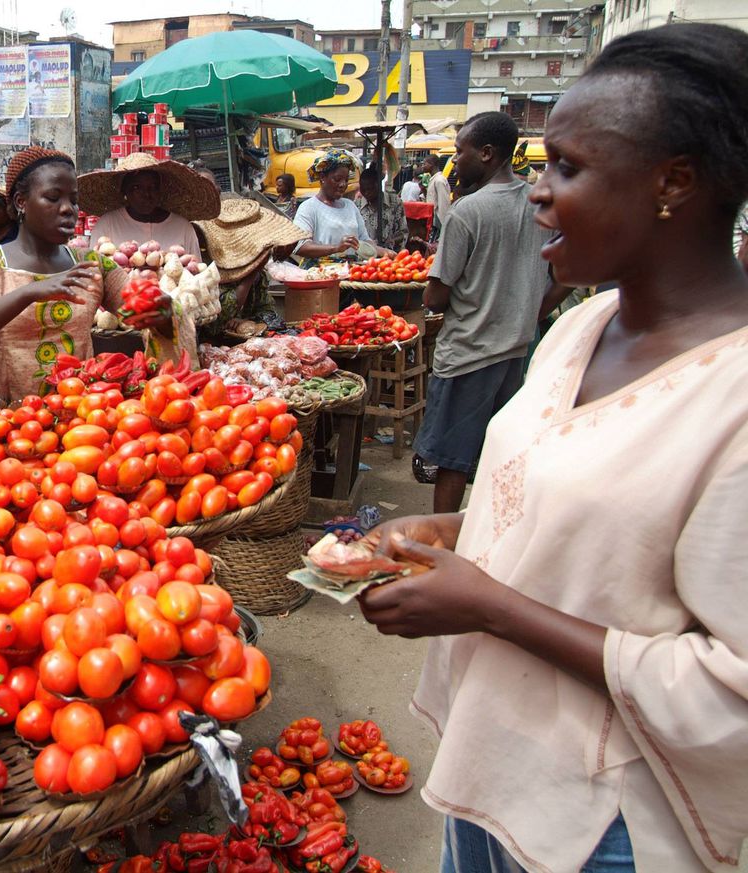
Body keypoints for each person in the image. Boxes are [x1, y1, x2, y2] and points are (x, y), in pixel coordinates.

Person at [359, 23, 748, 873]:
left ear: (671, 184)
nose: (537, 193)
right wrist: (452, 530)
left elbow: (735, 688)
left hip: (608, 817)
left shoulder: (736, 397)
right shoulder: (578, 329)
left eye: (566, 168)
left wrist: (488, 604)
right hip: (493, 759)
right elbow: (564, 501)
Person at [0, 147, 170, 403]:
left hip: (80, 420)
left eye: (73, 200)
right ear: (21, 202)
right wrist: (29, 292)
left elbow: (155, 320)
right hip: (3, 423)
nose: (68, 209)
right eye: (53, 197)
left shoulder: (92, 266)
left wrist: (162, 311)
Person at [414, 111, 565, 514]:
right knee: (500, 456)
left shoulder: (468, 212)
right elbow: (567, 274)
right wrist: (533, 312)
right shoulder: (538, 202)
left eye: (459, 152)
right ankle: (492, 536)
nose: (454, 160)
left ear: (486, 153)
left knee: (452, 461)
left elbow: (435, 297)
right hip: (516, 351)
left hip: (468, 354)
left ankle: (441, 545)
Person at [193, 196, 308, 335]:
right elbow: (215, 320)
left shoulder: (259, 275)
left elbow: (267, 310)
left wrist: (250, 322)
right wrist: (252, 274)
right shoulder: (206, 269)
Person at [80, 153, 218, 254]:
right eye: (136, 188)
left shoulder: (182, 228)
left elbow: (195, 276)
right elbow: (96, 272)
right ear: (124, 191)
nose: (146, 194)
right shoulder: (107, 225)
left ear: (161, 190)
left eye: (152, 187)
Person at [293, 149, 385, 264]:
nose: (343, 184)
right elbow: (300, 246)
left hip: (351, 272)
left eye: (346, 180)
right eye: (337, 179)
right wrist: (336, 247)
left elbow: (365, 240)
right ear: (322, 177)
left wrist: (385, 252)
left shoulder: (350, 206)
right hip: (321, 273)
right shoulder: (309, 208)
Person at [355, 166, 408, 253]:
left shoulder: (395, 202)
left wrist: (392, 240)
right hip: (364, 255)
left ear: (378, 185)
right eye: (363, 190)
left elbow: (403, 232)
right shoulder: (357, 205)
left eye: (370, 189)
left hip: (389, 255)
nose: (367, 193)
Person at [422, 154, 452, 233]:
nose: (422, 166)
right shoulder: (433, 179)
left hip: (438, 222)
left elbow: (444, 204)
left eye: (424, 164)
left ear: (431, 164)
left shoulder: (439, 180)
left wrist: (444, 226)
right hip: (432, 219)